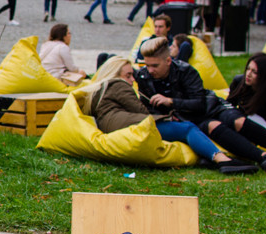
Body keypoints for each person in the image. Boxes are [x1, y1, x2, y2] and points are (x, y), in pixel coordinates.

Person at [86, 56, 256, 174]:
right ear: (116, 74)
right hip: (129, 125)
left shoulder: (101, 88)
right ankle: (221, 159)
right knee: (187, 128)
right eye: (128, 75)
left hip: (114, 126)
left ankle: (207, 157)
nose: (133, 80)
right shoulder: (119, 85)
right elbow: (142, 112)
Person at [135, 37, 266, 171]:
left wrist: (171, 101)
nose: (150, 70)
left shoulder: (185, 71)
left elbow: (200, 104)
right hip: (188, 118)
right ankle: (262, 157)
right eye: (147, 65)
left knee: (237, 121)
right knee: (212, 126)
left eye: (155, 66)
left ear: (168, 61)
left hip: (211, 106)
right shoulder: (144, 77)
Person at [228, 53, 266, 130]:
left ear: (264, 75)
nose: (248, 74)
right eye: (248, 69)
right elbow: (229, 105)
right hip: (241, 122)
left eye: (254, 72)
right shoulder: (238, 82)